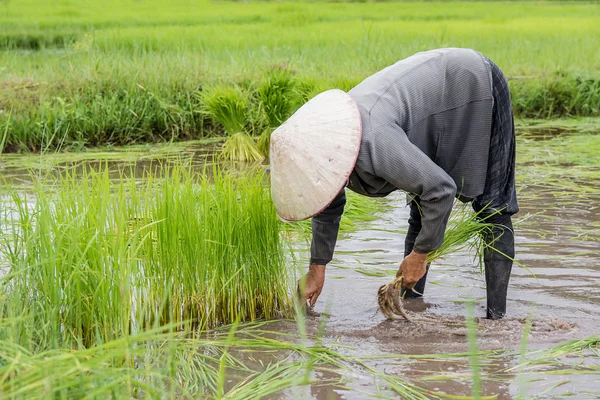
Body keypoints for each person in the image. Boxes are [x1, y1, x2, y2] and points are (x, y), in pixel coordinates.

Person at [269, 48, 518, 320]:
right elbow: (328, 201)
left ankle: (498, 319)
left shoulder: (372, 140)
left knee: (493, 209)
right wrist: (317, 269)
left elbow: (440, 190)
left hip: (472, 83)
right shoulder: (331, 145)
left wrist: (420, 255)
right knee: (421, 213)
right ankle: (411, 308)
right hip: (431, 99)